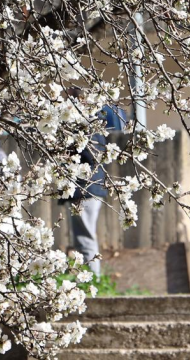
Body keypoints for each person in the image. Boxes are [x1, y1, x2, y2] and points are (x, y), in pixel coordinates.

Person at [65, 102, 126, 276]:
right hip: (90, 189)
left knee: (84, 237)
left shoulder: (87, 128)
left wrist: (69, 153)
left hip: (86, 189)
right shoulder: (95, 127)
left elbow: (89, 156)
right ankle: (90, 278)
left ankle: (90, 279)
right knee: (84, 236)